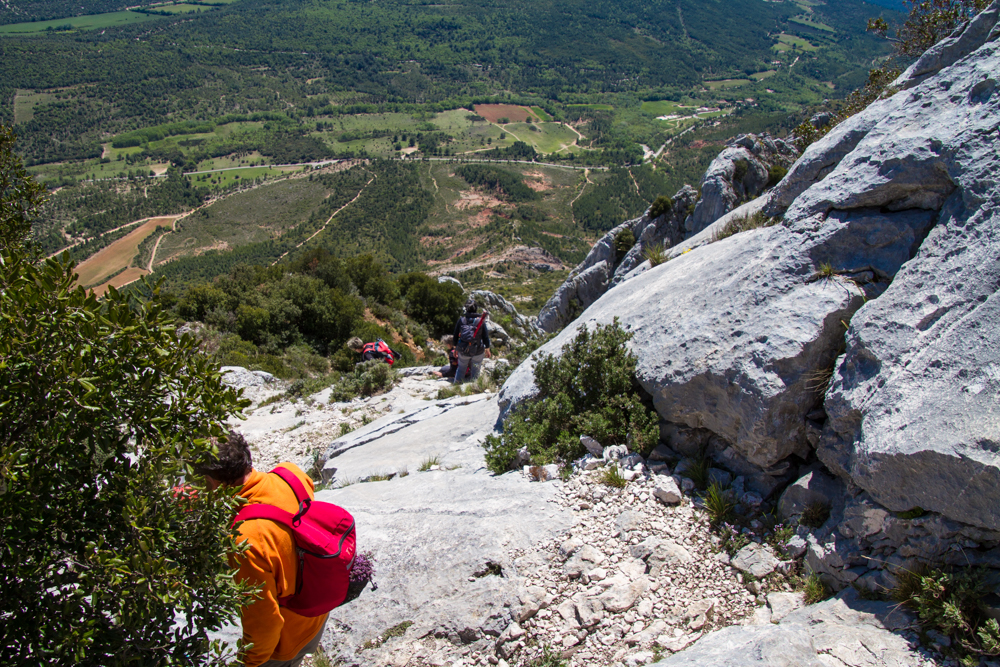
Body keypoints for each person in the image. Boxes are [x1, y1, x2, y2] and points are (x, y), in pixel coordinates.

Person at [195, 433, 326, 667]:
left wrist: (248, 663)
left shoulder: (246, 539)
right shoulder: (290, 474)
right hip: (317, 611)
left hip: (286, 640)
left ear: (212, 482)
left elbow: (265, 623)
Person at [452, 299, 491, 383]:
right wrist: (487, 349)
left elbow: (455, 335)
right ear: (476, 309)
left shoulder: (461, 320)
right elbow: (485, 336)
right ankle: (474, 387)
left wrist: (455, 349)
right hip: (478, 350)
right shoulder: (480, 321)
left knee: (461, 369)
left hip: (463, 350)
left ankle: (456, 387)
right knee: (476, 371)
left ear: (466, 309)